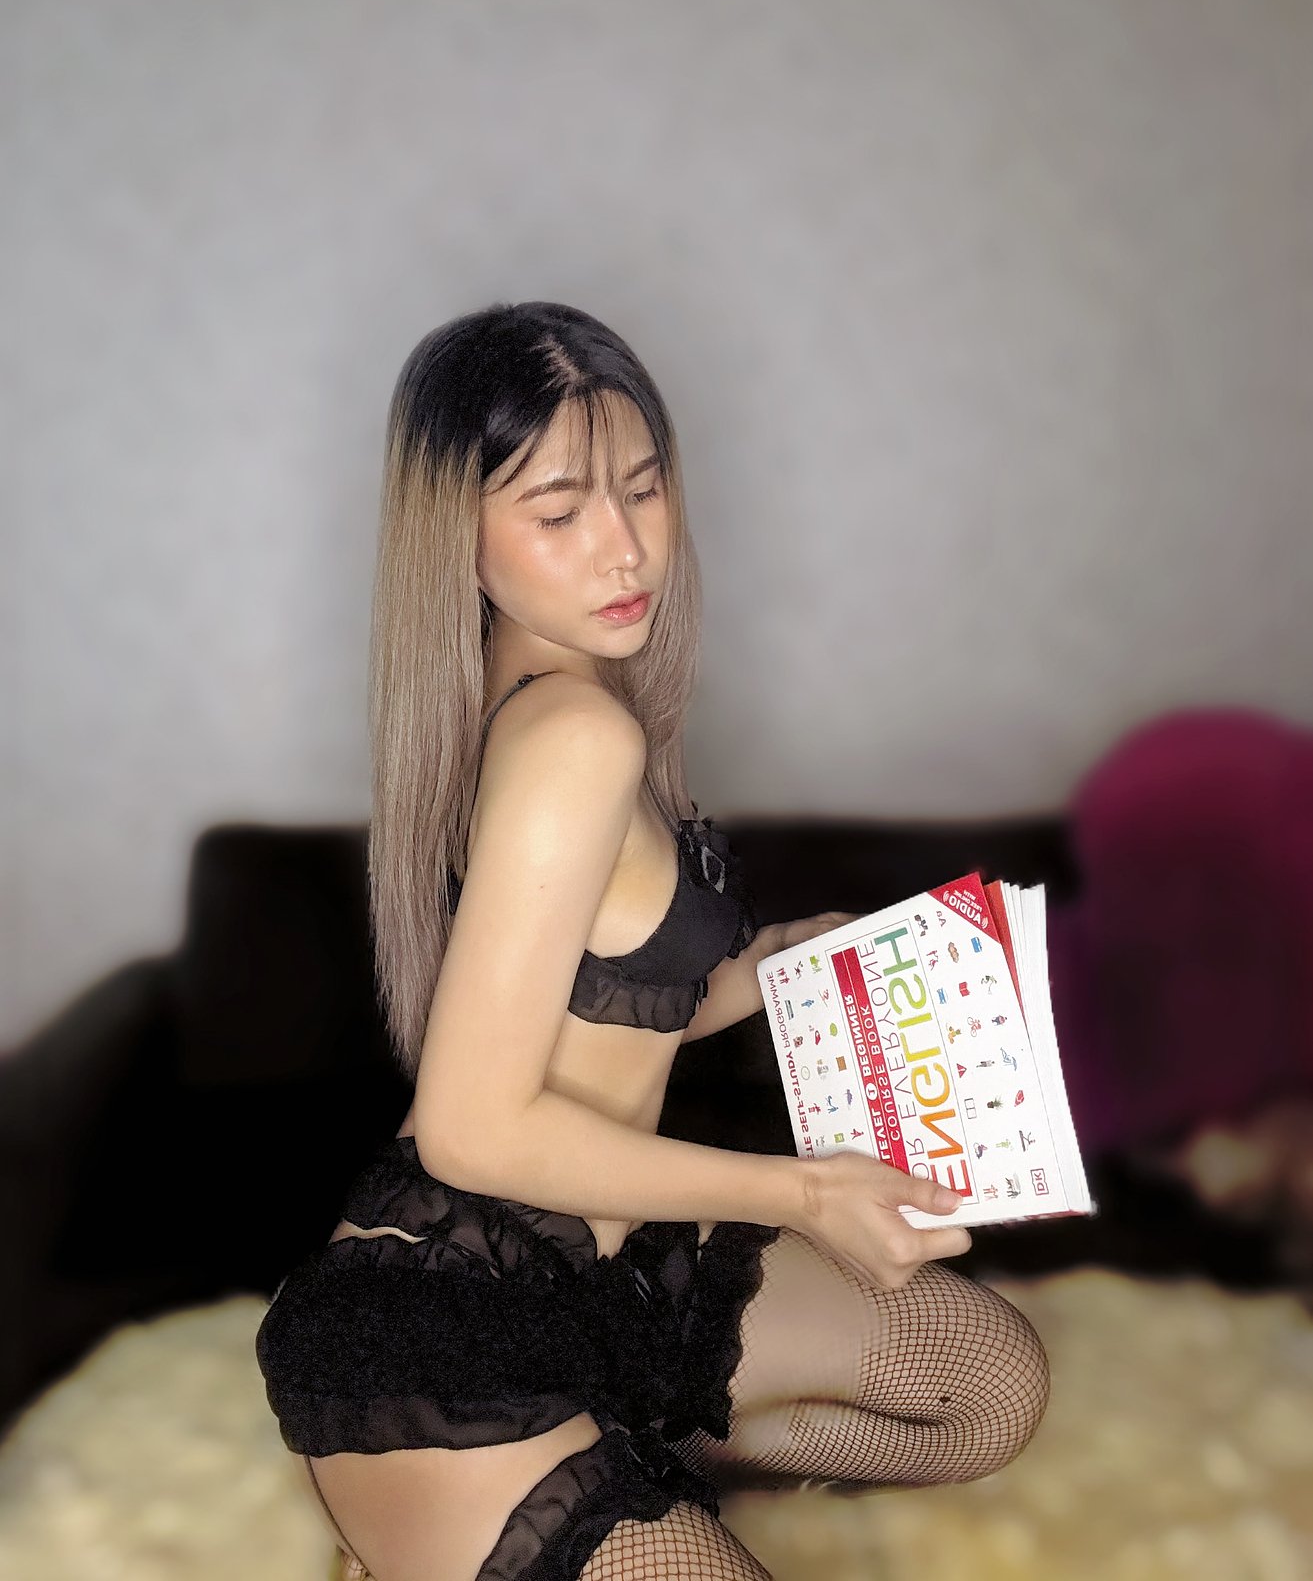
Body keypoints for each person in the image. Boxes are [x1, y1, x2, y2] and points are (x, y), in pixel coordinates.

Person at [255, 301, 1051, 1581]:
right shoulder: (576, 738)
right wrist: (805, 1193)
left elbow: (602, 1004)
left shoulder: (544, 700)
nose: (623, 548)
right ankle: (468, 1522)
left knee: (991, 1388)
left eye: (641, 487)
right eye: (558, 512)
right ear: (458, 537)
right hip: (452, 1339)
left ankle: (629, 1452)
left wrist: (782, 961)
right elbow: (468, 1130)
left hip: (605, 1278)